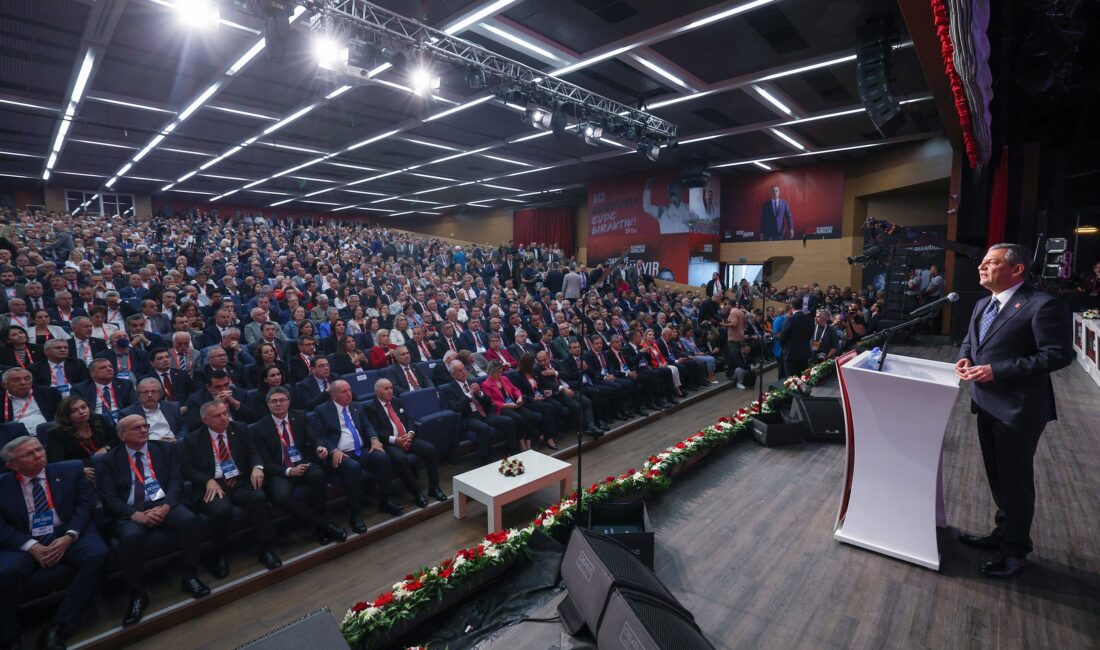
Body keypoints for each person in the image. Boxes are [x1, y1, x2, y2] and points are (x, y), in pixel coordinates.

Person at [955, 243, 1073, 579]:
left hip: (1018, 410)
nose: (981, 267)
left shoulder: (1042, 305)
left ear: (1017, 269)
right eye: (982, 262)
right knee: (998, 478)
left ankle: (1015, 552)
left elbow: (1057, 355)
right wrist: (966, 357)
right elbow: (972, 340)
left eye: (991, 262)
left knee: (1015, 482)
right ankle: (1003, 533)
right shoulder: (983, 303)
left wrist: (997, 370)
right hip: (986, 403)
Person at [93, 415, 210, 627]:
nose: (143, 430)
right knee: (131, 537)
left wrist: (166, 507)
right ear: (122, 435)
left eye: (145, 426)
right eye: (136, 428)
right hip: (130, 511)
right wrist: (134, 515)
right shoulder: (107, 460)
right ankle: (137, 593)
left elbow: (175, 480)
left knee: (189, 520)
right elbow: (108, 498)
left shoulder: (164, 449)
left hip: (163, 503)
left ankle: (190, 576)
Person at [1, 436, 108, 650]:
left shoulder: (70, 469)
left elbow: (85, 505)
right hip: (25, 538)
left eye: (39, 449)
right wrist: (32, 546)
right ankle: (9, 636)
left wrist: (69, 536)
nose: (38, 455)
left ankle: (60, 626)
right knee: (6, 573)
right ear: (12, 465)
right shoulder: (3, 486)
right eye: (29, 454)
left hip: (66, 530)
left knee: (98, 554)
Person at [180, 401, 282, 579]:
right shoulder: (192, 439)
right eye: (217, 416)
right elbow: (187, 469)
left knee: (258, 498)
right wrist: (207, 480)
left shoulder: (240, 428)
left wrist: (258, 467)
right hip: (214, 485)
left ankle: (265, 547)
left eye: (225, 413)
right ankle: (218, 554)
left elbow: (253, 453)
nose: (223, 418)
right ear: (205, 420)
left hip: (239, 480)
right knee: (221, 510)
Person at [251, 387, 347, 546]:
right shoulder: (259, 427)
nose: (279, 404)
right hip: (280, 471)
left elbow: (314, 438)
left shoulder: (300, 416)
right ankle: (325, 525)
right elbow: (265, 462)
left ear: (288, 402)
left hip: (303, 462)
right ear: (268, 404)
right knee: (280, 497)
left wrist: (319, 448)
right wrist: (289, 471)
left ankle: (320, 526)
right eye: (274, 401)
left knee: (318, 476)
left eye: (282, 400)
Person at [310, 380, 403, 530]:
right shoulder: (321, 411)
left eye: (349, 390)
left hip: (360, 450)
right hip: (341, 454)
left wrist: (374, 440)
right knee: (353, 467)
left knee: (382, 456)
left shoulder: (357, 406)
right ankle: (354, 513)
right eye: (344, 392)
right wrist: (333, 449)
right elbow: (319, 437)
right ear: (333, 396)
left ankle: (385, 500)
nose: (349, 394)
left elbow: (367, 426)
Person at [363, 379, 446, 507]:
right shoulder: (370, 407)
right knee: (400, 459)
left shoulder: (397, 401)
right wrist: (394, 439)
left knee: (430, 450)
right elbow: (375, 431)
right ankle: (416, 492)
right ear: (377, 392)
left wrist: (411, 433)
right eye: (386, 388)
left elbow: (408, 419)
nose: (390, 390)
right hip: (389, 442)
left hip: (407, 437)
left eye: (391, 387)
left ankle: (434, 487)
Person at [438, 360, 517, 464]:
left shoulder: (472, 381)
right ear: (453, 375)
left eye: (464, 369)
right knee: (483, 427)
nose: (463, 372)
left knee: (508, 421)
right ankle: (484, 459)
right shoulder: (449, 389)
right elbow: (457, 408)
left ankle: (514, 452)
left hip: (483, 413)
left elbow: (489, 401)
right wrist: (470, 394)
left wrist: (480, 393)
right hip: (467, 417)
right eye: (459, 371)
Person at [45, 395, 117, 479]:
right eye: (74, 411)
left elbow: (116, 439)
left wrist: (106, 448)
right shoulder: (57, 434)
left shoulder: (98, 420)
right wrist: (78, 469)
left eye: (84, 407)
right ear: (66, 415)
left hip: (107, 463)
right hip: (84, 471)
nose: (81, 412)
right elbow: (57, 462)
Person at [481, 360, 543, 452]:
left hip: (514, 403)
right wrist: (506, 405)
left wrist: (519, 397)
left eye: (500, 371)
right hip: (502, 408)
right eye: (497, 372)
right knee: (518, 418)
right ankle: (521, 442)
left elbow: (515, 389)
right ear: (491, 372)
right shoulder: (486, 384)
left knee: (531, 416)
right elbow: (492, 402)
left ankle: (528, 442)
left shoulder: (504, 378)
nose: (499, 374)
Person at [1, 368, 61, 437]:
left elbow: (62, 416)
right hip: (16, 439)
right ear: (4, 385)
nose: (23, 383)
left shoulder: (49, 393)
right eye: (16, 380)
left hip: (49, 435)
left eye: (27, 379)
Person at [119, 378, 183, 442]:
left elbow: (184, 427)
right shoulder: (128, 414)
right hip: (149, 447)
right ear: (139, 395)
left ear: (160, 394)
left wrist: (178, 440)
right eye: (145, 392)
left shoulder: (173, 407)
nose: (150, 395)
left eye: (153, 391)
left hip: (173, 444)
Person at [777, 298, 813, 378]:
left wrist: (784, 346)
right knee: (803, 378)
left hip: (791, 354)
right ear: (802, 305)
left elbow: (782, 337)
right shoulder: (809, 319)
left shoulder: (790, 319)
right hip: (804, 352)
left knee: (792, 381)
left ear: (791, 306)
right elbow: (810, 334)